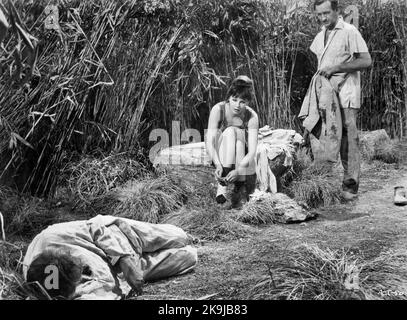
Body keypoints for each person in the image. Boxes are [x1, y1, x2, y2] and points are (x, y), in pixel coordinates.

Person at [22, 215, 198, 300]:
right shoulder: (47, 286)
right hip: (122, 276)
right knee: (189, 257)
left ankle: (188, 237)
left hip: (121, 236)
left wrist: (124, 258)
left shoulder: (50, 236)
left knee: (180, 236)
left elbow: (96, 225)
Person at [300, 0, 372, 201]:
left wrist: (335, 68)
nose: (323, 18)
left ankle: (350, 186)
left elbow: (366, 61)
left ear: (336, 11)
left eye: (326, 13)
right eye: (319, 15)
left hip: (346, 91)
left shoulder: (349, 31)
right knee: (328, 134)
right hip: (326, 94)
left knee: (349, 136)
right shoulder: (320, 35)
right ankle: (326, 181)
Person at [206, 75, 259, 207]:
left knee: (238, 133)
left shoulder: (252, 116)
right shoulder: (218, 109)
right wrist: (218, 164)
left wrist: (239, 170)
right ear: (228, 98)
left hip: (240, 152)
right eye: (234, 100)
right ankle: (224, 183)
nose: (237, 105)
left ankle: (239, 189)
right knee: (230, 131)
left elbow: (252, 151)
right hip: (220, 150)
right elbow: (209, 142)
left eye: (242, 102)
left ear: (248, 102)